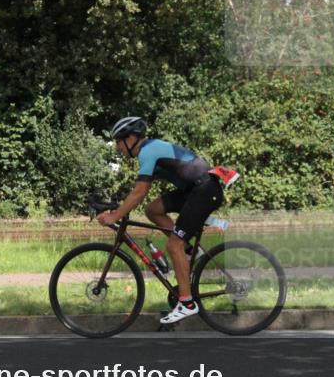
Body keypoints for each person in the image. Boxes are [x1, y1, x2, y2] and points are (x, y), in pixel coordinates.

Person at [98, 116, 238, 324]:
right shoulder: (150, 150)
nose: (118, 148)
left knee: (174, 246)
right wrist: (118, 207)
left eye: (119, 142)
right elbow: (139, 191)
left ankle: (187, 303)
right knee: (153, 210)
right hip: (196, 190)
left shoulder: (148, 151)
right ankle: (191, 251)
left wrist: (115, 216)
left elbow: (139, 192)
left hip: (204, 190)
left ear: (131, 138)